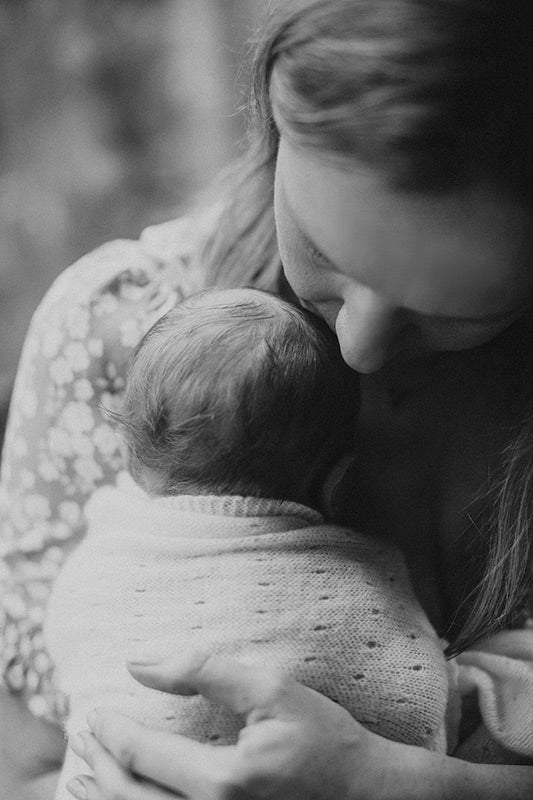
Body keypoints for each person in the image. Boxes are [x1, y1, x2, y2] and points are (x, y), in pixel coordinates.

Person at [3, 0, 533, 797]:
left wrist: (405, 786)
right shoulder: (112, 326)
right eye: (321, 251)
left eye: (452, 313)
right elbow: (27, 766)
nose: (356, 349)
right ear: (273, 110)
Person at [44, 287, 457, 800]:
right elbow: (413, 703)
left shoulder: (100, 559)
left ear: (131, 459)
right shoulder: (361, 581)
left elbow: (68, 650)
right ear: (338, 481)